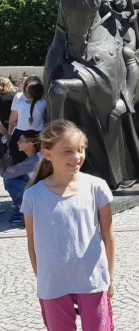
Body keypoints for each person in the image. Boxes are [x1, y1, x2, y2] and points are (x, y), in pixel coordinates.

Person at [21, 120, 115, 329]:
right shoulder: (33, 195)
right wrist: (43, 278)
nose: (77, 157)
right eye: (68, 151)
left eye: (81, 150)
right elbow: (32, 244)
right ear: (47, 154)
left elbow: (108, 236)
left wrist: (109, 276)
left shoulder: (96, 187)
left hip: (92, 280)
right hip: (53, 284)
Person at [2, 131, 41, 224]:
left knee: (10, 182)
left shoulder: (33, 161)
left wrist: (10, 169)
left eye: (21, 140)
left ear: (31, 143)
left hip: (40, 193)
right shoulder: (32, 158)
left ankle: (22, 208)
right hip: (39, 188)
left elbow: (5, 174)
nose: (17, 142)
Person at [8, 78, 46, 165]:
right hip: (38, 136)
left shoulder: (20, 105)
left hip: (20, 135)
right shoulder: (44, 103)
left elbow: (12, 121)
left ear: (27, 93)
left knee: (17, 162)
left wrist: (10, 135)